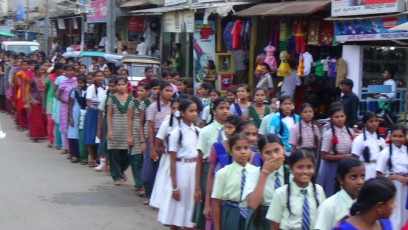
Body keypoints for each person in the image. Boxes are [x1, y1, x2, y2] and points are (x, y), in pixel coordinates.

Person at [159, 99, 200, 229]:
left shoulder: (198, 131)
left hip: (194, 169)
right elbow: (172, 161)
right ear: (182, 113)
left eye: (196, 111)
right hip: (181, 169)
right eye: (191, 111)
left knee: (191, 207)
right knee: (177, 208)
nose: (194, 114)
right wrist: (174, 186)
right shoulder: (176, 133)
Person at [266, 149, 326, 230]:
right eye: (300, 167)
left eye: (309, 167)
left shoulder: (319, 190)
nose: (305, 171)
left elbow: (323, 220)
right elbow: (274, 225)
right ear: (291, 168)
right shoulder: (281, 193)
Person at [194, 98, 230, 229]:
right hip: (208, 171)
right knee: (206, 206)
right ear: (214, 111)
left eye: (227, 108)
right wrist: (197, 186)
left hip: (227, 171)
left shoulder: (232, 131)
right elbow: (199, 159)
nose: (225, 111)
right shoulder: (206, 131)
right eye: (221, 108)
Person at [212, 134, 259, 230]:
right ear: (231, 151)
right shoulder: (223, 173)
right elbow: (216, 204)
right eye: (238, 149)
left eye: (246, 148)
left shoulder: (256, 172)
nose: (243, 152)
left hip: (250, 213)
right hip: (230, 212)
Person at [204, 115, 242, 228]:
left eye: (230, 127)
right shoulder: (217, 147)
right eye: (225, 127)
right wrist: (207, 204)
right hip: (217, 194)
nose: (226, 131)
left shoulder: (245, 150)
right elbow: (210, 176)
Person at [243, 134, 287, 230]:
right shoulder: (254, 173)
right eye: (267, 153)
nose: (274, 156)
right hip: (263, 220)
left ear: (283, 149)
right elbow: (253, 204)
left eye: (277, 150)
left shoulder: (291, 173)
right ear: (261, 155)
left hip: (286, 220)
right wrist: (265, 173)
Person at [142, 81, 173, 204]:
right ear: (161, 92)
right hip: (155, 137)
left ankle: (163, 196)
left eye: (171, 91)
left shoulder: (172, 106)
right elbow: (150, 126)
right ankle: (152, 195)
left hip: (168, 137)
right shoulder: (153, 107)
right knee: (153, 166)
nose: (169, 93)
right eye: (167, 90)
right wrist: (151, 144)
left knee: (165, 166)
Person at [315, 158, 365, 230]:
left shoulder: (365, 204)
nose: (360, 182)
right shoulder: (329, 206)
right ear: (341, 180)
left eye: (362, 176)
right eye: (353, 177)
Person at [152, 97, 182, 210]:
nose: (176, 111)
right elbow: (157, 145)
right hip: (168, 158)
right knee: (166, 181)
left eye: (178, 108)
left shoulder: (186, 122)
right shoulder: (168, 121)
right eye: (173, 108)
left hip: (181, 159)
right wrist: (168, 150)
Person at [317, 105, 354, 197]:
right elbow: (324, 155)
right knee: (332, 191)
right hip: (332, 168)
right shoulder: (329, 134)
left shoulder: (350, 131)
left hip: (347, 166)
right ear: (331, 118)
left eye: (342, 116)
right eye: (336, 117)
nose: (340, 119)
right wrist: (344, 156)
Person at [376, 124, 408, 230]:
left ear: (405, 137)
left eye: (400, 136)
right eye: (395, 136)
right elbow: (378, 175)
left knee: (405, 212)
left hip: (405, 186)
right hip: (393, 187)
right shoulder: (385, 153)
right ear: (390, 136)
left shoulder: (406, 151)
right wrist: (396, 177)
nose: (397, 139)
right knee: (395, 213)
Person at [106, 77, 134, 186]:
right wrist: (109, 130)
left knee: (126, 155)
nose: (121, 86)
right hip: (115, 128)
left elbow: (132, 115)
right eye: (119, 84)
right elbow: (108, 114)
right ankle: (116, 176)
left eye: (123, 84)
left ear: (127, 85)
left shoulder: (131, 98)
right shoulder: (111, 98)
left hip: (126, 130)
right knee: (114, 154)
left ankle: (121, 171)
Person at [138, 79, 160, 202]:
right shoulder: (145, 103)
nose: (157, 91)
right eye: (154, 89)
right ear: (150, 90)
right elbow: (141, 124)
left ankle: (157, 195)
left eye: (159, 89)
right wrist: (142, 141)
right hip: (148, 137)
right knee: (148, 166)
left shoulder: (166, 103)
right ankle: (149, 194)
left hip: (161, 140)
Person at [130, 82, 150, 196]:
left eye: (142, 90)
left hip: (146, 131)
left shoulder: (150, 103)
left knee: (145, 159)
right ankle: (139, 183)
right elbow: (130, 118)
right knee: (136, 157)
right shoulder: (133, 102)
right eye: (138, 90)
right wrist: (130, 135)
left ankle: (145, 181)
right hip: (135, 130)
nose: (139, 93)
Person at [351, 112, 386, 179]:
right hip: (365, 169)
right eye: (371, 121)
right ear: (365, 123)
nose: (374, 124)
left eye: (376, 121)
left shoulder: (381, 140)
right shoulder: (359, 140)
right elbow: (354, 159)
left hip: (379, 170)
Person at [83, 70, 107, 167]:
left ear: (104, 77)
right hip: (93, 111)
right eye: (97, 76)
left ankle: (99, 156)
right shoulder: (91, 88)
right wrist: (94, 107)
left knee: (100, 134)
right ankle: (92, 157)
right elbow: (88, 102)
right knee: (91, 134)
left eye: (101, 76)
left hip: (102, 111)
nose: (99, 78)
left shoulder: (106, 88)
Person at [95, 78, 117, 171]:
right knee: (104, 142)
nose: (112, 88)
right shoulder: (106, 97)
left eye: (114, 86)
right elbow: (100, 113)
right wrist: (99, 128)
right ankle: (103, 162)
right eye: (110, 86)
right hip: (106, 122)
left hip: (117, 122)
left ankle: (112, 164)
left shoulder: (122, 97)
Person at [57, 65, 78, 158]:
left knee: (73, 127)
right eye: (67, 71)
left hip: (75, 105)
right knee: (65, 127)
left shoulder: (76, 81)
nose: (69, 72)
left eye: (71, 70)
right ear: (65, 72)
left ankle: (73, 149)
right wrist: (65, 101)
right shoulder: (63, 82)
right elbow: (58, 95)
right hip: (65, 106)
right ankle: (67, 148)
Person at [68, 74, 89, 164]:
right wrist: (70, 117)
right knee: (73, 135)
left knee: (81, 135)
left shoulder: (87, 90)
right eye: (79, 83)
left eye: (82, 83)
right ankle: (75, 154)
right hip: (75, 113)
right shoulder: (74, 91)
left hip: (83, 113)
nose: (80, 85)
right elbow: (70, 105)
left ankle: (83, 155)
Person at [28, 64, 47, 142]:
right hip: (36, 101)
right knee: (36, 119)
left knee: (43, 118)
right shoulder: (32, 80)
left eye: (43, 70)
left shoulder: (44, 78)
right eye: (41, 70)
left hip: (43, 100)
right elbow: (29, 91)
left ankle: (42, 135)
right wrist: (32, 99)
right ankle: (35, 136)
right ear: (36, 70)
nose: (42, 71)